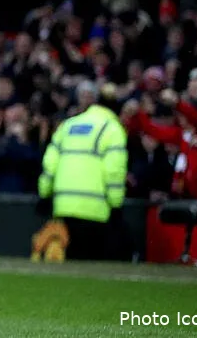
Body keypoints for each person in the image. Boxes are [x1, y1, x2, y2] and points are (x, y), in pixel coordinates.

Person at [37, 81, 128, 260]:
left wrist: (44, 194)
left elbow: (50, 163)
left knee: (70, 266)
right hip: (95, 208)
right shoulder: (112, 129)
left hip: (63, 205)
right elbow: (114, 172)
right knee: (91, 268)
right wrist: (116, 205)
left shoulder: (68, 125)